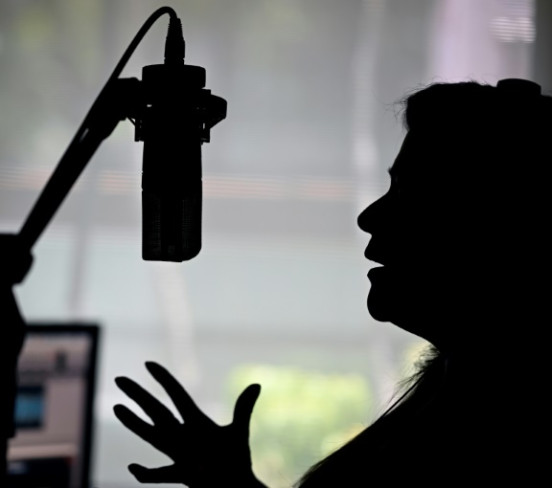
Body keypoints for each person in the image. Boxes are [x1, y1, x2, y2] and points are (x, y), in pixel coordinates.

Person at [113, 79, 552, 487]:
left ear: (498, 223)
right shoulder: (452, 392)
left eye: (410, 193)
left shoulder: (490, 430)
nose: (369, 216)